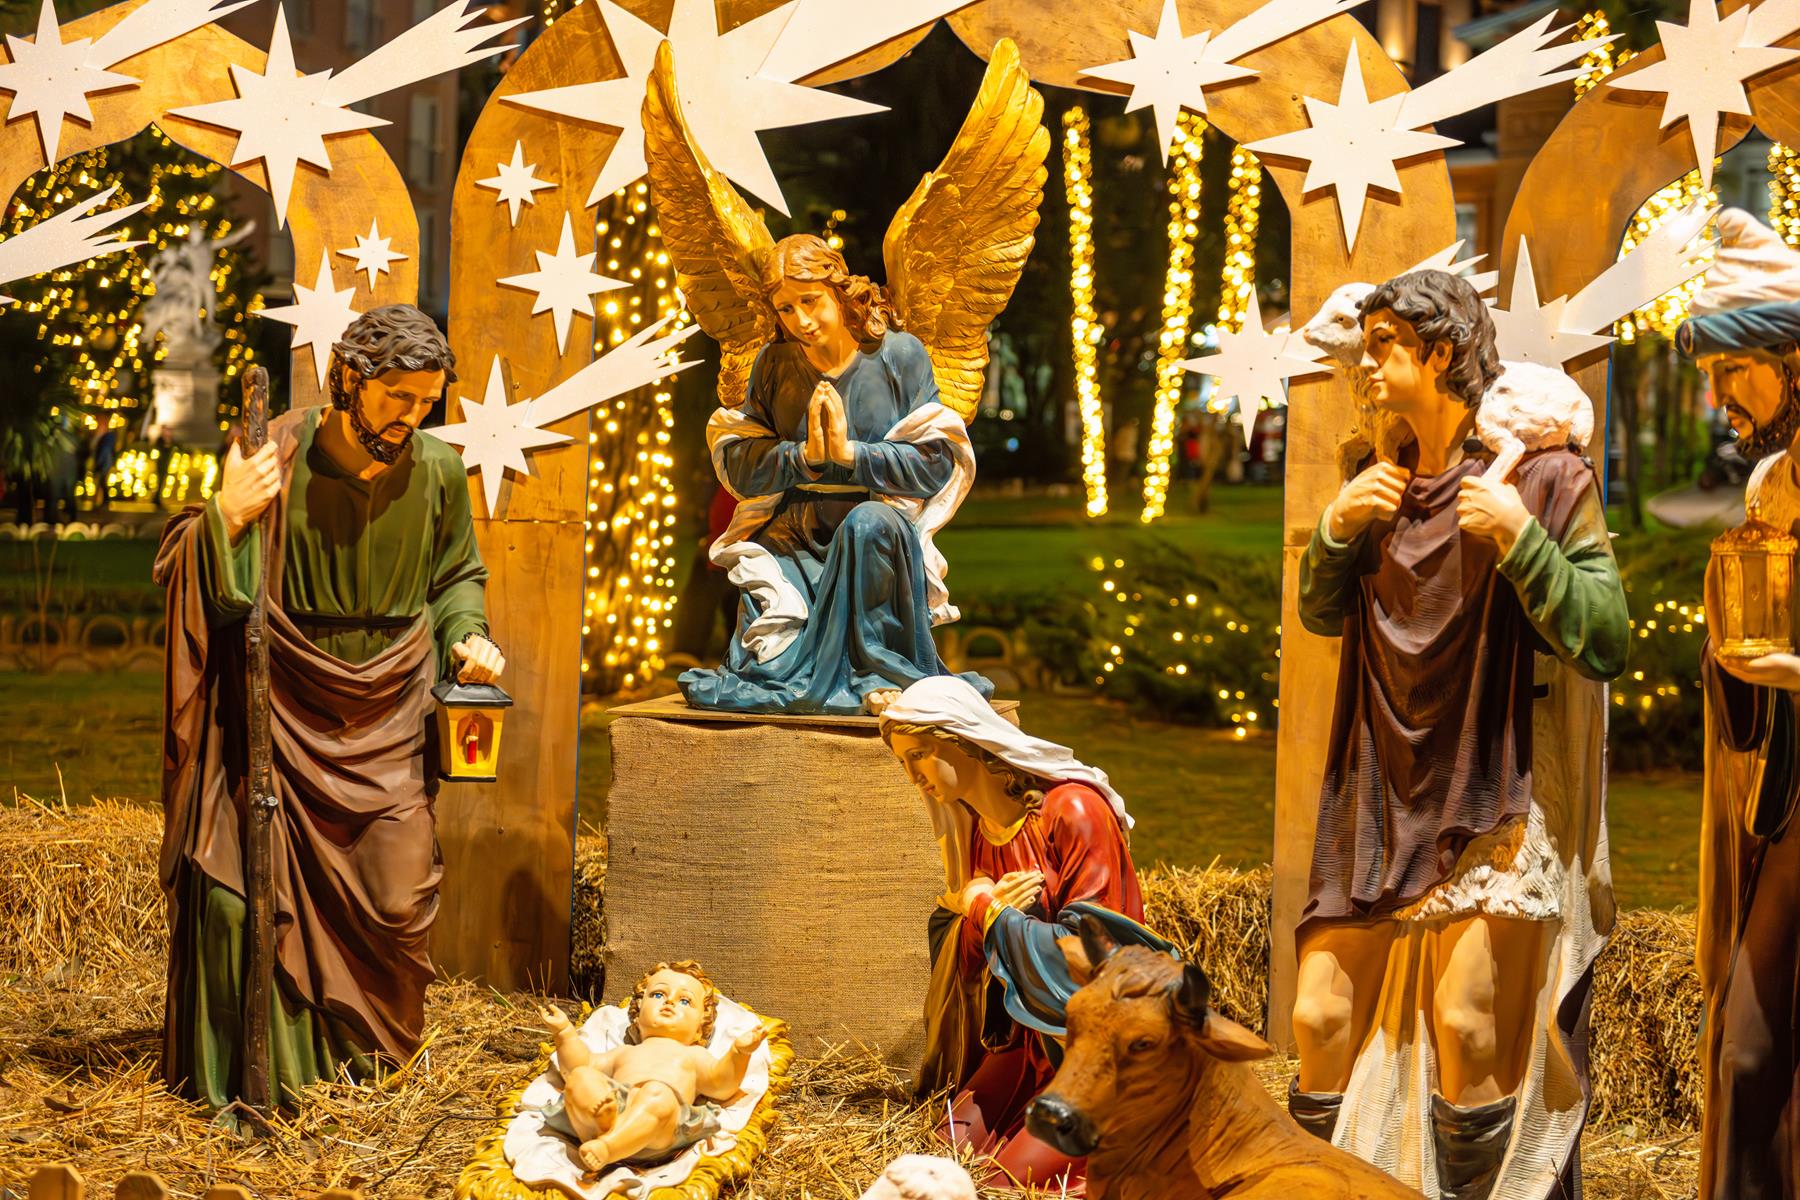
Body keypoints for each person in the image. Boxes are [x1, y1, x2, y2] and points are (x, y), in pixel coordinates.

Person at [1291, 270, 1628, 1200]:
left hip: (1488, 782)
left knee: (1469, 1024)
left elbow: (1607, 636)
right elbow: (1322, 613)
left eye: (1386, 344)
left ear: (1442, 352)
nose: (1366, 364)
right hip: (1378, 780)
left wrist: (1522, 540)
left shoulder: (1541, 477)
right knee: (1318, 1016)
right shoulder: (1374, 481)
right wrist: (1335, 531)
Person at [154, 304, 506, 1110]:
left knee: (397, 891)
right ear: (349, 378)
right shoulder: (275, 451)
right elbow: (209, 578)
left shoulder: (438, 471)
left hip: (388, 708)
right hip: (282, 703)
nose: (412, 415)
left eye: (426, 402)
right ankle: (275, 1081)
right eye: (397, 397)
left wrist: (468, 634)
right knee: (237, 897)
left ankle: (368, 1080)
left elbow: (457, 576)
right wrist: (227, 516)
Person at [677, 235, 986, 716]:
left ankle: (878, 670)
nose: (800, 320)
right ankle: (792, 673)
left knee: (867, 525)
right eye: (785, 308)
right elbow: (741, 465)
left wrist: (852, 455)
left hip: (876, 524)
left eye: (810, 301)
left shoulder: (898, 356)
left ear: (838, 292)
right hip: (796, 529)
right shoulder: (774, 364)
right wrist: (801, 458)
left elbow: (933, 465)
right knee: (771, 644)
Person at [878, 675, 1163, 1191]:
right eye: (904, 762)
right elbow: (972, 966)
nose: (914, 776)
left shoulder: (1073, 811)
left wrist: (987, 909)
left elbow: (1092, 960)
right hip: (1023, 1042)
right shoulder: (979, 836)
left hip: (1091, 1055)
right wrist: (977, 916)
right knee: (945, 1149)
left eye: (919, 754)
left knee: (1007, 1179)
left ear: (963, 739)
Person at [1675, 208, 1800, 1200]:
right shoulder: (1774, 487)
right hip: (1790, 808)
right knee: (1747, 1054)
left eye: (1734, 371)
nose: (1719, 398)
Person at [536, 961, 765, 1174]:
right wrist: (564, 1033)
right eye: (658, 994)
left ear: (699, 1027)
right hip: (613, 1112)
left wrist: (739, 1053)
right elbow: (579, 1066)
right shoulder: (625, 1052)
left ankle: (609, 1146)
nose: (670, 1001)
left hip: (660, 1128)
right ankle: (603, 1125)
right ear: (637, 1013)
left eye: (685, 1001)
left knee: (657, 1093)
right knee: (581, 1076)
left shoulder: (693, 1055)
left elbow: (721, 1085)